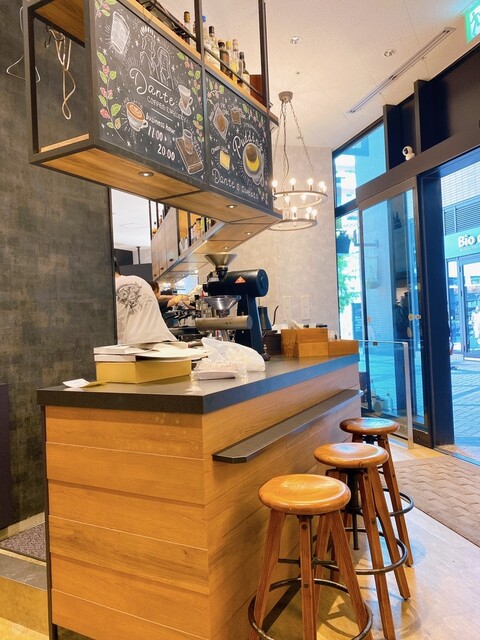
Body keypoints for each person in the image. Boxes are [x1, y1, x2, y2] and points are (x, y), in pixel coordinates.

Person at [114, 261, 176, 345]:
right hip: (164, 340)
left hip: (138, 345)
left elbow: (114, 327)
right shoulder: (139, 280)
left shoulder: (111, 288)